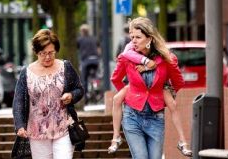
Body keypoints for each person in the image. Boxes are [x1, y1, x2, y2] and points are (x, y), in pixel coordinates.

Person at [110, 17, 185, 159]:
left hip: (156, 118)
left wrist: (166, 95)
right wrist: (129, 94)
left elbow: (178, 82)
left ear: (149, 38)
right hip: (132, 116)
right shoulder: (128, 57)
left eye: (138, 37)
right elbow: (115, 79)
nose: (133, 41)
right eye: (132, 37)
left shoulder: (167, 59)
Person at [13, 29, 85, 159]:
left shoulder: (65, 67)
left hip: (64, 128)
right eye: (43, 53)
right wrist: (20, 125)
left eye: (51, 53)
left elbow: (79, 89)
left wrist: (71, 96)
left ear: (56, 50)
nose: (47, 57)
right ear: (36, 52)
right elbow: (18, 101)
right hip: (37, 132)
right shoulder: (26, 72)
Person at [77, 24, 99, 96]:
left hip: (86, 61)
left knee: (84, 78)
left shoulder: (80, 40)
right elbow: (99, 49)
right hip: (95, 60)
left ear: (81, 32)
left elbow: (77, 49)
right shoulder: (94, 38)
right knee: (95, 74)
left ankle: (85, 94)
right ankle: (96, 85)